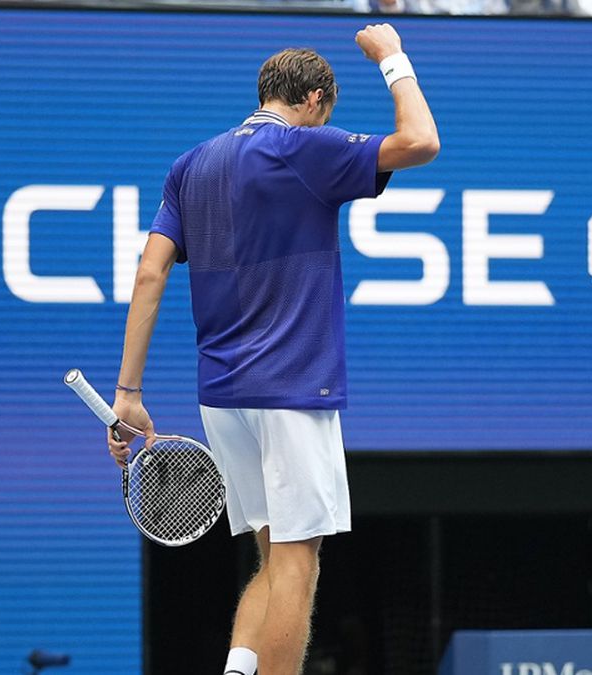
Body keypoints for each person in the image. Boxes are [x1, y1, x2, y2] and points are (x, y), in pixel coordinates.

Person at [108, 24, 439, 675]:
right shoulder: (304, 148)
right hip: (292, 388)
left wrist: (129, 393)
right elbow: (422, 140)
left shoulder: (190, 165)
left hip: (222, 397)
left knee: (270, 554)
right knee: (298, 561)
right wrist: (393, 58)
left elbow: (149, 274)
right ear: (313, 101)